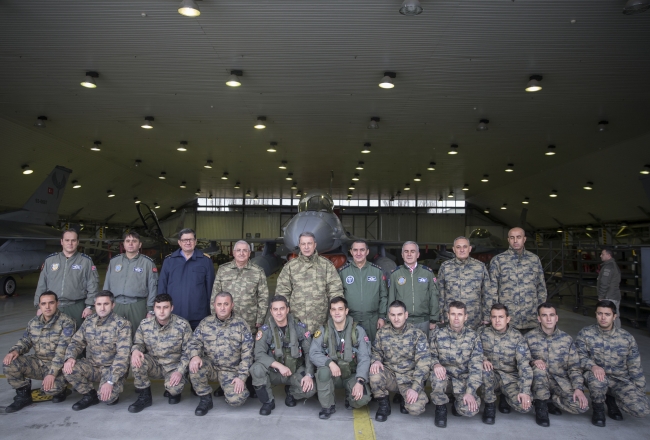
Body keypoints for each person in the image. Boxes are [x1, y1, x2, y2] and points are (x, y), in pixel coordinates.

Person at [575, 300, 649, 427]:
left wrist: (639, 391)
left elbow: (635, 366)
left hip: (619, 379)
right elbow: (578, 356)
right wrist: (593, 366)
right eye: (600, 313)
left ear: (614, 316)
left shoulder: (626, 338)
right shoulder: (586, 333)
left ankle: (612, 400)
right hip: (596, 377)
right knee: (598, 380)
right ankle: (598, 410)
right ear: (596, 314)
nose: (603, 318)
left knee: (642, 410)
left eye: (607, 314)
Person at [212, 239, 269, 397]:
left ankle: (249, 384)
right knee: (226, 352)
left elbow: (264, 298)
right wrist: (215, 318)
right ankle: (224, 384)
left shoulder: (257, 271)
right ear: (233, 252)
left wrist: (260, 319)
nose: (242, 253)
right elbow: (215, 296)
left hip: (249, 322)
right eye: (238, 250)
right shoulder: (223, 270)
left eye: (245, 250)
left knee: (248, 353)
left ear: (249, 253)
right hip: (226, 322)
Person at [3, 291, 76, 412]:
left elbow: (62, 351)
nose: (47, 307)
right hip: (40, 363)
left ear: (57, 303)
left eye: (51, 303)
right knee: (10, 363)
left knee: (50, 390)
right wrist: (15, 350)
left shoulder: (67, 322)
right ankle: (23, 395)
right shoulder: (33, 323)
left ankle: (62, 389)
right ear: (40, 305)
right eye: (44, 304)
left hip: (59, 366)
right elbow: (26, 341)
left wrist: (52, 373)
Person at [187, 292, 253, 416]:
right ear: (214, 305)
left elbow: (247, 354)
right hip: (211, 367)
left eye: (226, 304)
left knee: (237, 399)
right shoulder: (205, 323)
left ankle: (226, 388)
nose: (222, 308)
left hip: (231, 371)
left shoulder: (241, 325)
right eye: (219, 304)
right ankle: (205, 398)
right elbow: (194, 342)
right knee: (195, 366)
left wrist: (242, 377)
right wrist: (195, 355)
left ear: (232, 305)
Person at [63, 290, 132, 410]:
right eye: (99, 304)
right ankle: (89, 395)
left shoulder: (122, 324)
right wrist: (70, 357)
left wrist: (110, 381)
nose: (102, 308)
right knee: (68, 369)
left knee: (107, 398)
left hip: (112, 368)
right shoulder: (89, 322)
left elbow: (123, 355)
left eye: (106, 304)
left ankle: (107, 387)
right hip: (94, 365)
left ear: (113, 305)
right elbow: (76, 342)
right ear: (95, 305)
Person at [250, 295, 315, 416]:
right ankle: (268, 402)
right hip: (274, 372)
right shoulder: (265, 330)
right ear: (271, 311)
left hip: (294, 370)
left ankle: (291, 392)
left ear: (287, 309)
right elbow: (258, 354)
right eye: (275, 309)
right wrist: (279, 366)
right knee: (256, 369)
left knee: (310, 390)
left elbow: (308, 353)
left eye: (282, 308)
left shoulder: (300, 328)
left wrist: (308, 374)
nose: (279, 312)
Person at [525, 303, 588, 427]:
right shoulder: (529, 338)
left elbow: (574, 367)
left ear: (556, 318)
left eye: (552, 315)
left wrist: (578, 389)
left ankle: (551, 400)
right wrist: (533, 361)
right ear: (539, 318)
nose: (549, 319)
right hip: (538, 382)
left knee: (580, 407)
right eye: (544, 315)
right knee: (539, 370)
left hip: (559, 381)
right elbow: (521, 361)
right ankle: (541, 407)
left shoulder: (567, 339)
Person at [128, 293, 192, 413]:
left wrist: (179, 372)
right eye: (158, 307)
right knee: (137, 360)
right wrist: (135, 350)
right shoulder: (145, 324)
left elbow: (188, 352)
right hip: (154, 365)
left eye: (165, 307)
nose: (161, 311)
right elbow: (138, 343)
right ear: (154, 308)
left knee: (174, 391)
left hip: (173, 367)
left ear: (171, 308)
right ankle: (144, 396)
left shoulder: (182, 325)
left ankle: (172, 389)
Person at [310, 297, 372, 419]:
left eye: (340, 309)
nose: (337, 312)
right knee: (322, 372)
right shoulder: (323, 330)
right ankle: (328, 406)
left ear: (346, 311)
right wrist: (329, 363)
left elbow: (364, 357)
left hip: (351, 374)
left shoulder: (358, 331)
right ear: (330, 312)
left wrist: (360, 381)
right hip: (332, 375)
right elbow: (313, 353)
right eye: (333, 309)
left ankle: (350, 398)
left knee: (362, 399)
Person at [369, 300, 430, 422]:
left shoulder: (417, 334)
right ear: (388, 316)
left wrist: (415, 388)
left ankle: (405, 397)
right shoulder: (382, 333)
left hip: (409, 379)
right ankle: (384, 405)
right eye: (393, 315)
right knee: (374, 373)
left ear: (406, 315)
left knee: (415, 408)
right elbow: (376, 352)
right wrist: (376, 361)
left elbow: (424, 363)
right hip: (390, 376)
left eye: (400, 314)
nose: (396, 318)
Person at [428, 300, 483, 428]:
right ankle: (440, 408)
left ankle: (457, 403)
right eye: (453, 314)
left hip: (462, 381)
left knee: (469, 410)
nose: (456, 318)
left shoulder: (473, 337)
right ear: (448, 315)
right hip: (444, 379)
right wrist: (436, 364)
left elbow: (476, 367)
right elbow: (429, 355)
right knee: (437, 376)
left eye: (460, 314)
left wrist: (470, 392)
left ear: (466, 317)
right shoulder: (437, 334)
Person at [275, 231, 344, 333]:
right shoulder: (290, 267)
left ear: (315, 245)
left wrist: (337, 314)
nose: (306, 247)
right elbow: (282, 293)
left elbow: (335, 291)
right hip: (296, 324)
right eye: (303, 244)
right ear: (299, 245)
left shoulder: (326, 266)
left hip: (321, 324)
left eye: (309, 243)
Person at [34, 229, 99, 329]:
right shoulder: (50, 260)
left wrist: (89, 306)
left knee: (77, 338)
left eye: (73, 240)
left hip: (76, 306)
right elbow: (42, 284)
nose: (70, 243)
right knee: (52, 335)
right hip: (53, 305)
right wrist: (39, 307)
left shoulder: (85, 261)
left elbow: (93, 284)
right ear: (61, 241)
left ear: (77, 242)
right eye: (67, 240)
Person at [480, 303, 533, 425]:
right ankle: (489, 405)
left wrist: (524, 391)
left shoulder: (517, 337)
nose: (497, 320)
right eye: (494, 317)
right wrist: (483, 359)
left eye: (501, 317)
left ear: (508, 319)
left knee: (524, 407)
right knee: (485, 371)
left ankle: (505, 397)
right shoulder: (483, 333)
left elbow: (524, 365)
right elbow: (474, 352)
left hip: (510, 378)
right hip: (491, 376)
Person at [488, 227, 547, 333]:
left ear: (524, 239)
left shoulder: (534, 259)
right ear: (508, 240)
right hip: (508, 320)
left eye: (518, 237)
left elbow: (541, 287)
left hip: (531, 318)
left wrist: (541, 312)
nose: (515, 241)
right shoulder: (498, 260)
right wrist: (497, 316)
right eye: (512, 237)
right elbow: (492, 290)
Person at [158, 228, 215, 330]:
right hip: (174, 315)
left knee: (197, 345)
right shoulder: (169, 261)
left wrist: (211, 313)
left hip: (199, 316)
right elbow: (162, 288)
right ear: (179, 242)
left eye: (191, 239)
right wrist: (161, 311)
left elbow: (211, 290)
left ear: (195, 241)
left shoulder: (205, 261)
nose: (188, 242)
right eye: (185, 240)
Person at [103, 231, 158, 334]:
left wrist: (150, 309)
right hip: (116, 304)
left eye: (134, 241)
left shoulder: (147, 263)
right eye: (128, 241)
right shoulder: (114, 261)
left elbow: (153, 288)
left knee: (137, 334)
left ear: (140, 244)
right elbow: (107, 284)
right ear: (123, 244)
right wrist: (105, 303)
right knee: (113, 334)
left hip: (137, 305)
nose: (131, 244)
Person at [337, 239, 388, 341]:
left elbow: (384, 296)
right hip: (350, 319)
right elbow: (338, 296)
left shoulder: (377, 271)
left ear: (367, 252)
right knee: (350, 349)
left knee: (373, 348)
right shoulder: (343, 272)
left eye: (362, 250)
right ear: (351, 252)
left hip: (372, 320)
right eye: (355, 250)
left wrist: (382, 317)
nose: (358, 253)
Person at [437, 236, 491, 329]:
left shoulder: (480, 267)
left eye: (465, 247)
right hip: (452, 319)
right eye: (458, 247)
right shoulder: (445, 267)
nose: (462, 250)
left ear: (470, 249)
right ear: (453, 249)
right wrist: (440, 315)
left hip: (474, 319)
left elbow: (487, 293)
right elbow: (440, 293)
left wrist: (487, 316)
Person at [387, 241, 440, 337]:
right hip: (402, 322)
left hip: (423, 321)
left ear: (418, 254)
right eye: (406, 251)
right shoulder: (395, 274)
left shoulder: (427, 273)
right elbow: (391, 298)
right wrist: (389, 319)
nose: (409, 254)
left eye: (412, 251)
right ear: (402, 255)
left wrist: (434, 319)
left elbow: (434, 297)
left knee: (423, 349)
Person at [597, 249, 622, 328]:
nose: (601, 256)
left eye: (602, 254)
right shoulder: (612, 265)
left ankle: (614, 336)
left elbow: (604, 283)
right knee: (615, 316)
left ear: (608, 255)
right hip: (613, 295)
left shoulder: (608, 267)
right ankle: (617, 334)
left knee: (609, 317)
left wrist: (601, 296)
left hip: (609, 296)